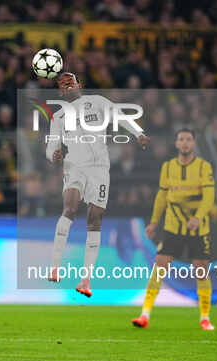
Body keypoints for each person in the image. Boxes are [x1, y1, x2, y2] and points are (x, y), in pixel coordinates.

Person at [46, 73, 149, 297]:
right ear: (61, 92)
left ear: (78, 84)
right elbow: (51, 146)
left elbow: (121, 117)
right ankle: (55, 267)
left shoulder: (99, 103)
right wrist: (52, 155)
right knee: (70, 209)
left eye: (70, 82)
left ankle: (86, 280)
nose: (68, 86)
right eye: (63, 85)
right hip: (75, 167)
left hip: (100, 170)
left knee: (95, 219)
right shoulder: (59, 117)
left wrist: (138, 133)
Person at [132, 128, 216, 331]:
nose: (185, 143)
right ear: (177, 144)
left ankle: (205, 317)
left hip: (198, 229)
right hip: (172, 227)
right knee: (159, 267)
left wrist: (197, 217)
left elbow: (209, 197)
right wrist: (153, 222)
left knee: (201, 270)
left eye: (188, 139)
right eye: (181, 139)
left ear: (193, 144)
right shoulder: (168, 167)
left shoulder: (204, 167)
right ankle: (144, 314)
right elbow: (161, 197)